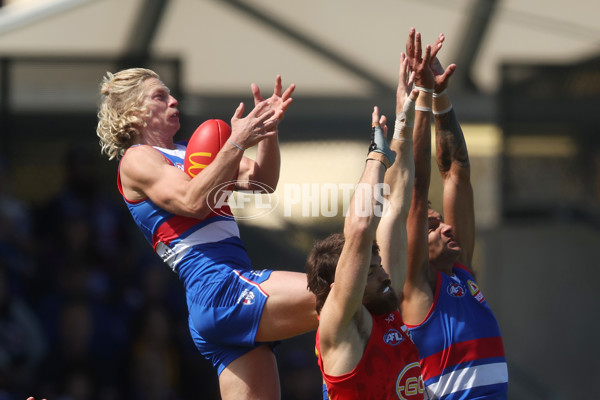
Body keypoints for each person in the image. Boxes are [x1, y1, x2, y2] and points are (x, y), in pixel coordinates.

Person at [95, 68, 318, 400]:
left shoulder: (192, 150)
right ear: (132, 112)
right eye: (159, 96)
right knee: (340, 295)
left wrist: (267, 130)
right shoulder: (138, 159)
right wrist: (237, 141)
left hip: (222, 296)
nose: (173, 100)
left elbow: (263, 181)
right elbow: (192, 200)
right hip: (221, 288)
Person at [306, 45, 431, 399]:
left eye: (376, 266)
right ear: (341, 288)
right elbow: (360, 230)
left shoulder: (380, 306)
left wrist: (403, 119)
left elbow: (394, 206)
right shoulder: (345, 325)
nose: (383, 273)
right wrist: (377, 154)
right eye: (371, 270)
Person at [401, 28, 508, 399]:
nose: (446, 226)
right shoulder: (417, 289)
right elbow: (417, 188)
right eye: (432, 227)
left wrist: (442, 97)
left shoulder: (460, 268)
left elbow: (456, 171)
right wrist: (421, 96)